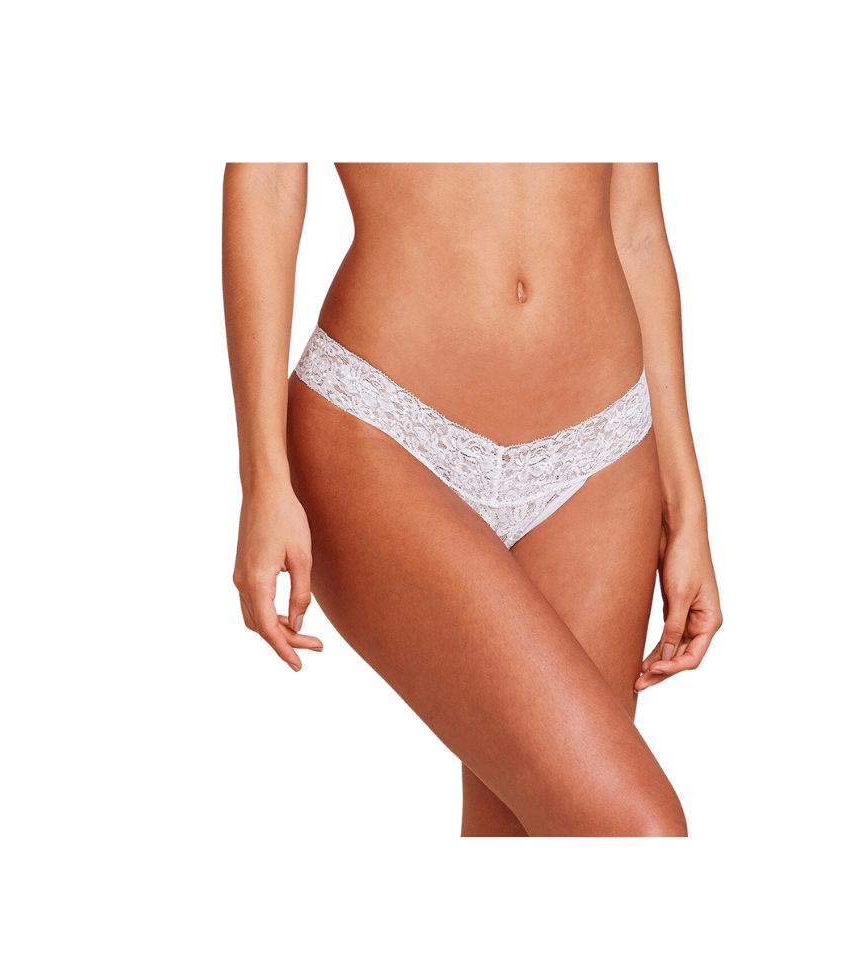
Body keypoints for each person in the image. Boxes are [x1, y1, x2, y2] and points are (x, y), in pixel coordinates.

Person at [222, 163, 722, 837]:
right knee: (635, 830)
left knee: (532, 835)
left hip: (602, 452)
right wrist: (262, 478)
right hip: (386, 426)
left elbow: (635, 225)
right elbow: (268, 181)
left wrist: (687, 507)